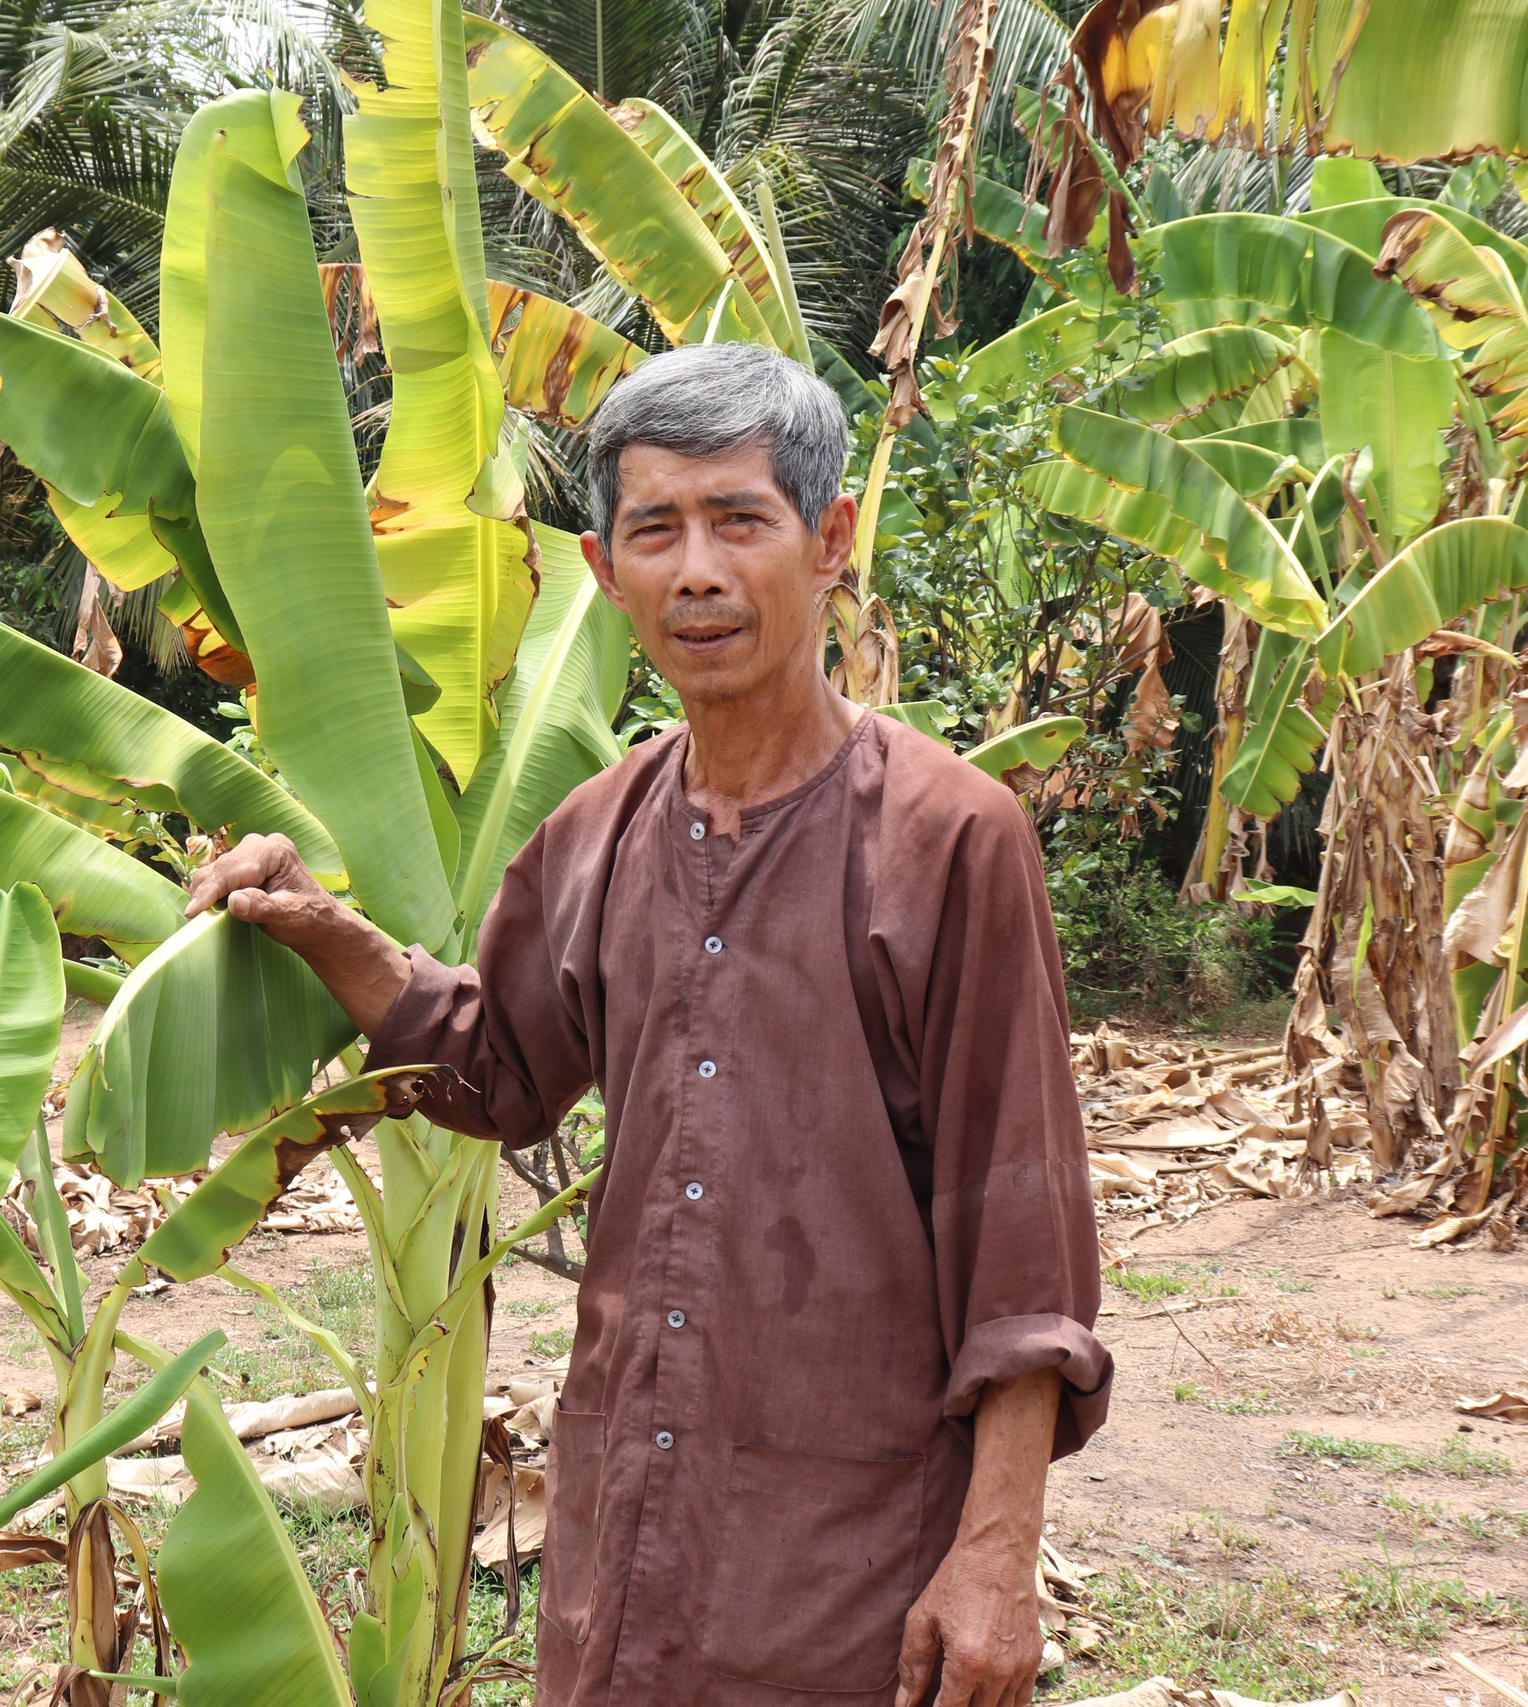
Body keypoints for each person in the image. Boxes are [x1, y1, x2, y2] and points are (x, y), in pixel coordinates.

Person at [185, 341, 1111, 1707]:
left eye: (742, 521)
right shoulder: (602, 830)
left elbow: (1020, 1245)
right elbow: (494, 1070)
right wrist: (333, 931)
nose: (698, 572)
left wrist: (995, 1560)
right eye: (655, 530)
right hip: (630, 1509)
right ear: (603, 569)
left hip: (848, 1551)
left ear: (829, 540)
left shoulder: (946, 839)